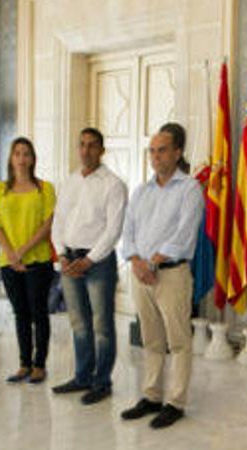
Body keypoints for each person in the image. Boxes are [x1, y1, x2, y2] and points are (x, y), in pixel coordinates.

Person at [119, 123, 203, 429]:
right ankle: (152, 395)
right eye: (152, 150)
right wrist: (136, 260)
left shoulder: (190, 189)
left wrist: (152, 262)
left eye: (162, 150)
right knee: (151, 339)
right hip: (141, 275)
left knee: (178, 341)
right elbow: (127, 232)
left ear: (177, 152)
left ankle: (175, 402)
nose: (155, 156)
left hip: (171, 275)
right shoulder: (141, 191)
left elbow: (183, 235)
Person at [50, 128, 127, 404]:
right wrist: (61, 254)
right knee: (79, 323)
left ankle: (102, 382)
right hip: (69, 260)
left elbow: (113, 229)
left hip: (98, 263)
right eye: (82, 145)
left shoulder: (113, 184)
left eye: (92, 146)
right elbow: (58, 221)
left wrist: (89, 260)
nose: (86, 151)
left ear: (102, 150)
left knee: (102, 325)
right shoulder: (69, 181)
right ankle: (82, 376)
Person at [0, 138, 57, 384]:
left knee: (39, 313)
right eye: (17, 153)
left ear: (32, 158)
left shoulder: (44, 189)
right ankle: (24, 363)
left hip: (37, 260)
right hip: (9, 263)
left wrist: (23, 251)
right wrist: (11, 253)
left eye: (26, 153)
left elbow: (47, 225)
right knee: (21, 314)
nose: (21, 158)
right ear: (11, 158)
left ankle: (40, 365)